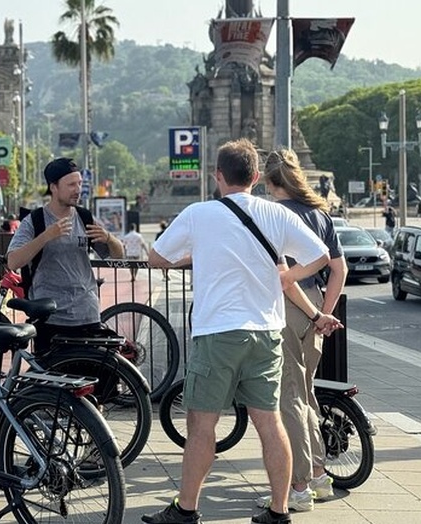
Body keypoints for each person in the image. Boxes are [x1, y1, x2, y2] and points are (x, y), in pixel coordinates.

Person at [144, 139, 338, 524]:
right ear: (255, 177)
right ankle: (280, 510)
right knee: (270, 421)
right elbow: (321, 256)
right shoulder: (275, 214)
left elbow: (156, 257)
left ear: (219, 176)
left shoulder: (200, 214)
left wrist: (197, 254)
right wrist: (289, 274)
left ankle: (186, 510)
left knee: (202, 423)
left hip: (218, 332)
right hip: (267, 331)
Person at [259, 148, 348, 512]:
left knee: (289, 397)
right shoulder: (320, 214)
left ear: (269, 182)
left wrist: (311, 313)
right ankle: (319, 475)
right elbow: (339, 270)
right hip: (314, 304)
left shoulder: (274, 215)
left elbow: (282, 278)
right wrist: (323, 314)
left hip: (287, 307)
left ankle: (298, 489)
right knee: (306, 392)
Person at [6, 157, 124, 355]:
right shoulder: (34, 221)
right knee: (52, 382)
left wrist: (109, 238)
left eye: (79, 183)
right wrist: (46, 236)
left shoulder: (84, 217)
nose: (78, 190)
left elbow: (118, 257)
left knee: (97, 380)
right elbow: (13, 261)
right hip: (51, 318)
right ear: (53, 187)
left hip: (87, 314)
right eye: (71, 185)